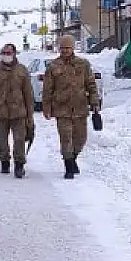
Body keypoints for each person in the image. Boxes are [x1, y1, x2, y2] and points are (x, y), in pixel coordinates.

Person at [41, 35, 100, 179]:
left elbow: (91, 85)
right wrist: (46, 107)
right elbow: (47, 89)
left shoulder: (83, 64)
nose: (65, 50)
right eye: (63, 48)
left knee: (81, 139)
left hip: (80, 107)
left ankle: (73, 158)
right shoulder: (53, 66)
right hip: (62, 109)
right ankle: (68, 167)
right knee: (66, 138)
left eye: (68, 48)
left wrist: (95, 103)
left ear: (73, 48)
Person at [0, 43, 34, 178]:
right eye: (4, 53)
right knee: (2, 140)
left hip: (18, 112)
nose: (6, 56)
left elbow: (28, 93)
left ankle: (19, 165)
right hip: (1, 112)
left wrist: (30, 115)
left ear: (14, 54)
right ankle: (4, 162)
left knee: (19, 140)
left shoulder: (22, 70)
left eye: (8, 53)